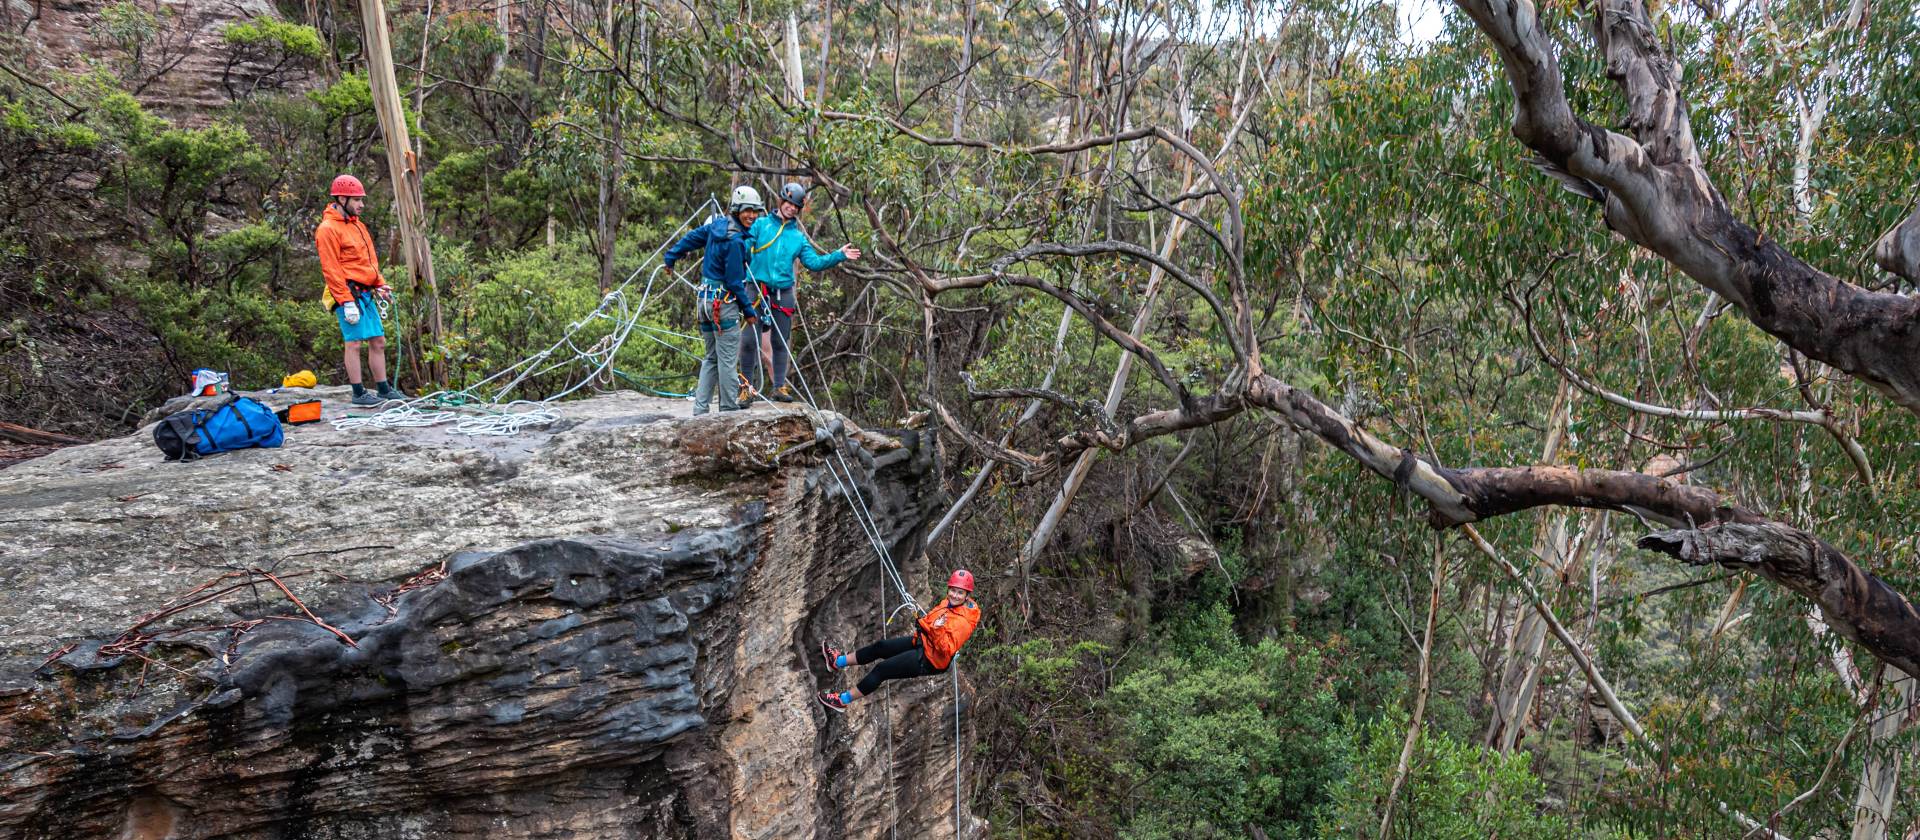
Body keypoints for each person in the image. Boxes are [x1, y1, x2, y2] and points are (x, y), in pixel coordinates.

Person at [739, 183, 861, 404]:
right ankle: (745, 389)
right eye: (789, 203)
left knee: (780, 342)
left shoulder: (798, 237)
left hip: (782, 292)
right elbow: (744, 247)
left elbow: (814, 263)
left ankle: (779, 387)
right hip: (755, 289)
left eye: (796, 206)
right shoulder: (761, 225)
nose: (792, 208)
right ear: (781, 202)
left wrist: (839, 255)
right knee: (748, 341)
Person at [663, 185, 774, 415]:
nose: (752, 216)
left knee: (711, 357)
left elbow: (692, 238)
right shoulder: (735, 242)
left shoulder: (717, 226)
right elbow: (734, 282)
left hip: (704, 301)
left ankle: (700, 409)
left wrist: (671, 256)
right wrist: (749, 310)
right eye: (747, 211)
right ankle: (728, 410)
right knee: (726, 360)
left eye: (755, 211)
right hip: (723, 304)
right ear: (736, 209)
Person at [818, 569, 980, 711]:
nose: (955, 595)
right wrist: (925, 621)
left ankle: (842, 701)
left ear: (967, 596)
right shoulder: (948, 603)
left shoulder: (963, 622)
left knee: (881, 670)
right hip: (923, 642)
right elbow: (934, 623)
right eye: (953, 590)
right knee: (880, 647)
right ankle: (837, 662)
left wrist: (935, 629)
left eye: (960, 592)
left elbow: (946, 649)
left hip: (929, 660)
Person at [316, 174, 409, 407]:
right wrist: (346, 301)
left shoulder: (358, 225)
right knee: (354, 342)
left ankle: (384, 389)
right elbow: (331, 268)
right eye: (357, 200)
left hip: (365, 293)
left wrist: (380, 284)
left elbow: (369, 260)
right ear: (341, 198)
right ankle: (358, 393)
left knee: (378, 340)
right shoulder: (327, 229)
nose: (361, 204)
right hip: (346, 293)